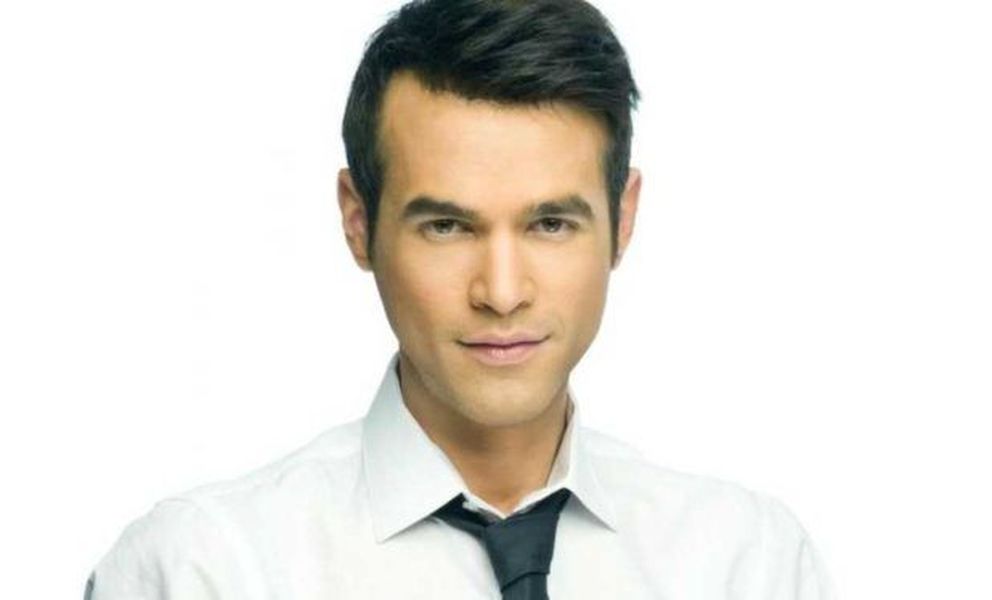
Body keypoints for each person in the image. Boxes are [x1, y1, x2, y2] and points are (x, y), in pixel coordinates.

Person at [85, 0, 836, 598]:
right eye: (446, 226)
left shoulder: (749, 565)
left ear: (624, 220)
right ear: (358, 223)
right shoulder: (201, 572)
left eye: (550, 224)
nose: (501, 293)